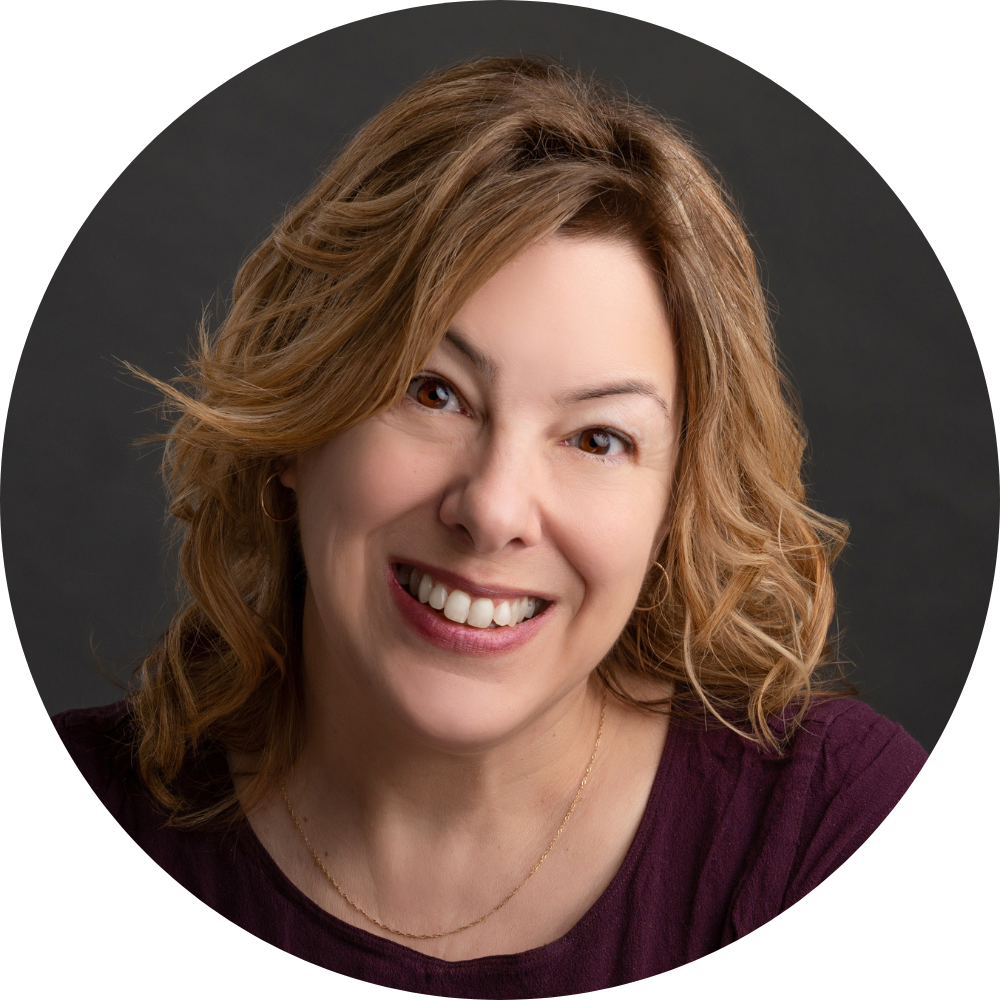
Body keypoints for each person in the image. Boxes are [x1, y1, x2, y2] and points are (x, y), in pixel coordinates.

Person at [52, 56, 926, 991]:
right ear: (294, 430)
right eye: (433, 393)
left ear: (676, 509)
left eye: (597, 438)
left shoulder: (829, 827)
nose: (494, 510)